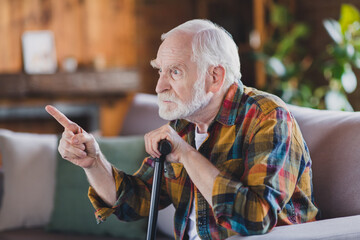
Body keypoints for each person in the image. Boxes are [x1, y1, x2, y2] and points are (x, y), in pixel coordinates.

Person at [46, 19, 319, 239]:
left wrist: (187, 155)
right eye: (160, 71)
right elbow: (134, 202)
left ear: (215, 77)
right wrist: (93, 162)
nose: (159, 86)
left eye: (174, 72)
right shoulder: (184, 123)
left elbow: (256, 218)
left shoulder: (267, 118)